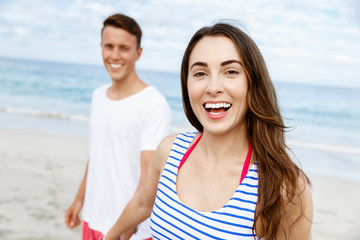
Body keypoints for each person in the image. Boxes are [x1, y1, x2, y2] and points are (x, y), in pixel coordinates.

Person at [104, 22, 313, 240]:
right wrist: (109, 236)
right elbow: (142, 203)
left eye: (230, 71)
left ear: (253, 83)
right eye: (200, 73)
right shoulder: (169, 151)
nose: (213, 87)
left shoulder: (283, 187)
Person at [64, 13, 171, 240]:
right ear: (101, 48)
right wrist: (79, 199)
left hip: (129, 230)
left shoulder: (153, 103)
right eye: (108, 46)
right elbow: (96, 155)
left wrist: (126, 229)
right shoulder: (98, 96)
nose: (115, 55)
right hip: (94, 219)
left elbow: (150, 172)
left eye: (124, 48)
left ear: (138, 53)